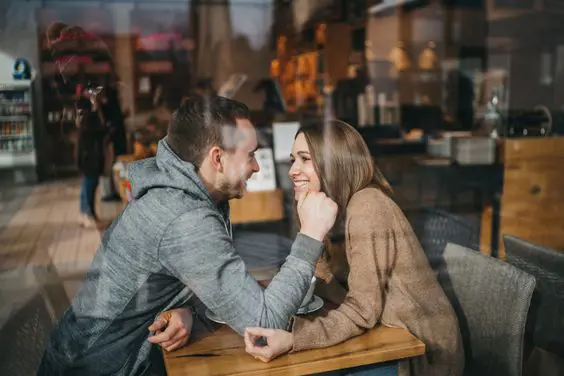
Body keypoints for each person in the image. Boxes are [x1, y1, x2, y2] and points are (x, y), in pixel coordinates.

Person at [38, 95, 338, 375]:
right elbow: (263, 326)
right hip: (98, 368)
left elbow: (188, 273)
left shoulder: (188, 189)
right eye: (250, 155)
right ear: (217, 159)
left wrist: (188, 309)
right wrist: (311, 234)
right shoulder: (185, 217)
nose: (257, 167)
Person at [243, 120, 464, 376]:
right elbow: (328, 284)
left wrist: (295, 338)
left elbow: (363, 310)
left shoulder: (367, 206)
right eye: (293, 160)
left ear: (335, 163)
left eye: (305, 159)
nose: (293, 170)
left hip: (421, 351)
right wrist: (312, 229)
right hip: (385, 332)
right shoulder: (332, 206)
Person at [75, 94, 107, 228]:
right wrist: (97, 107)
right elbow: (102, 128)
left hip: (86, 157)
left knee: (87, 185)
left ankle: (84, 214)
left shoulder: (83, 118)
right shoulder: (90, 119)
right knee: (90, 186)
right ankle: (88, 215)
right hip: (91, 158)